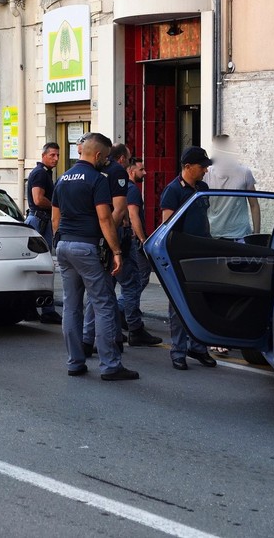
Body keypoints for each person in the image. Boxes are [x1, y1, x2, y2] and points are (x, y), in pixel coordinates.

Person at [51, 132, 139, 380]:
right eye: (106, 157)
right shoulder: (97, 179)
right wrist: (116, 250)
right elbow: (104, 218)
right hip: (88, 247)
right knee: (103, 304)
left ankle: (75, 362)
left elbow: (56, 219)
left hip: (64, 246)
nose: (107, 161)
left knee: (71, 305)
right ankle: (110, 365)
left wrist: (60, 241)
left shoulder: (62, 178)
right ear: (98, 154)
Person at [159, 146, 218, 371]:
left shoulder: (202, 188)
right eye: (202, 167)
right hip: (181, 255)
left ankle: (198, 347)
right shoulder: (173, 191)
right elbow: (167, 227)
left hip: (202, 251)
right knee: (179, 304)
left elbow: (204, 218)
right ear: (187, 167)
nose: (205, 170)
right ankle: (178, 350)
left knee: (201, 301)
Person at [203, 154, 261, 356]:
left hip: (237, 237)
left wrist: (256, 235)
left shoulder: (244, 173)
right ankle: (217, 336)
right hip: (215, 237)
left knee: (233, 289)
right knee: (220, 289)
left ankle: (226, 334)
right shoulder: (207, 174)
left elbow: (254, 204)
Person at [78, 136, 129, 356]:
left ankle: (100, 339)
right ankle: (96, 342)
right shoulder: (100, 172)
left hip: (98, 237)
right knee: (102, 293)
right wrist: (107, 240)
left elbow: (117, 211)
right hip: (99, 239)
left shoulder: (112, 171)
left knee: (100, 291)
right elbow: (117, 211)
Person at [119, 156, 162, 346]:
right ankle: (125, 313)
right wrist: (143, 240)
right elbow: (133, 215)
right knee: (138, 280)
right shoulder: (132, 190)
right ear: (131, 171)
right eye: (141, 169)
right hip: (135, 242)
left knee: (133, 281)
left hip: (127, 240)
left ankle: (125, 314)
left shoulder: (123, 189)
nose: (145, 173)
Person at [24, 142, 62, 324]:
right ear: (44, 155)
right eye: (52, 155)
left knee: (39, 267)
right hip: (40, 221)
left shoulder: (45, 173)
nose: (55, 159)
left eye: (57, 155)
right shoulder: (40, 173)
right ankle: (44, 310)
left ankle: (34, 308)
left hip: (40, 221)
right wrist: (58, 206)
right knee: (43, 266)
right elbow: (38, 199)